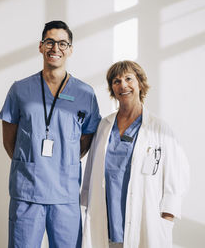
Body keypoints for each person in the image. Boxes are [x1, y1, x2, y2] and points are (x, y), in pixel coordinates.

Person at [0, 20, 101, 248]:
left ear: (71, 49)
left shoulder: (85, 93)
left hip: (65, 195)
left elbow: (87, 139)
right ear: (40, 46)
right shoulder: (20, 90)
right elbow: (9, 140)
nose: (56, 48)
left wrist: (63, 162)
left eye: (63, 43)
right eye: (50, 42)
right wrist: (29, 164)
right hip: (27, 193)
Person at [81, 61, 189, 248]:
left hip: (146, 224)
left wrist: (166, 220)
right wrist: (84, 211)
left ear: (140, 83)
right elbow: (90, 176)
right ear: (112, 89)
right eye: (116, 81)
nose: (123, 85)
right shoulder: (104, 126)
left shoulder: (159, 128)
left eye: (128, 79)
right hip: (105, 222)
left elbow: (176, 179)